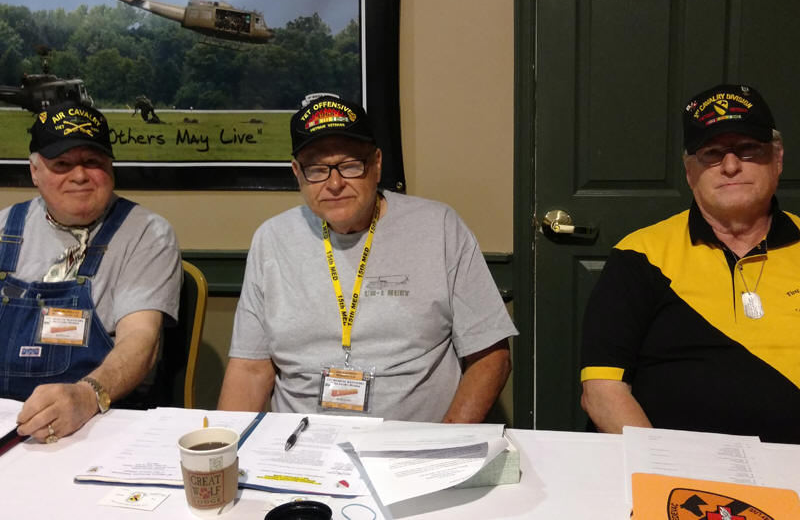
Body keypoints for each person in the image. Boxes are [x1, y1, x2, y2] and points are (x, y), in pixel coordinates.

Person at [218, 94, 517, 422]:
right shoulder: (272, 239)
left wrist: (444, 440)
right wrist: (228, 443)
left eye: (350, 165)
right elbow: (249, 369)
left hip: (412, 441)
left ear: (376, 164)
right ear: (297, 173)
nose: (334, 183)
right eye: (317, 169)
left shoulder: (440, 227)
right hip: (301, 440)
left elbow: (491, 358)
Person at [580, 84, 800, 443]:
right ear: (689, 171)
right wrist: (660, 465)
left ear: (777, 159)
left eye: (748, 149)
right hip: (672, 466)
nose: (731, 166)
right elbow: (602, 390)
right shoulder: (639, 256)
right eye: (712, 154)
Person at [4, 102, 181, 443]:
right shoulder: (4, 229)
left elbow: (140, 340)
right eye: (62, 164)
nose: (80, 176)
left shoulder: (146, 233)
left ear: (111, 168)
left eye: (93, 162)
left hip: (101, 422)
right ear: (34, 171)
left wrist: (87, 395)